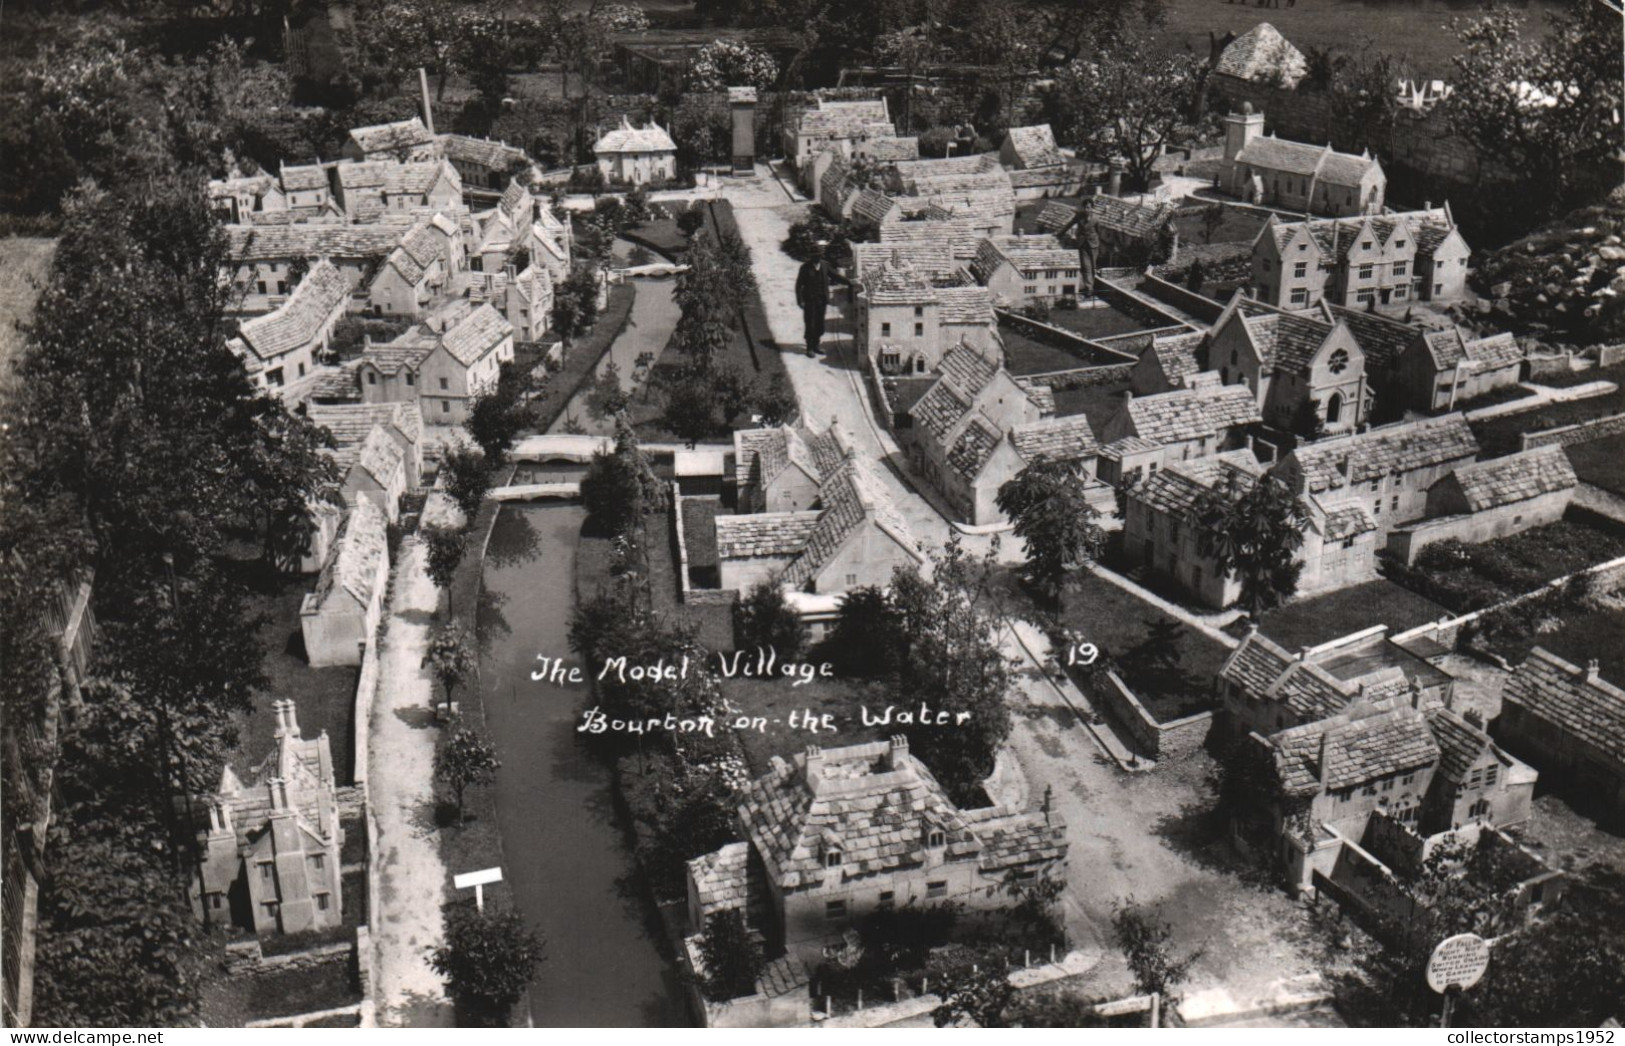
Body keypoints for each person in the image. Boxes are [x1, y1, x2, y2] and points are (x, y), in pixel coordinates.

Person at [795, 243, 830, 357]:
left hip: (822, 301)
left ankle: (816, 346)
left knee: (820, 325)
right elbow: (798, 285)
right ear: (811, 256)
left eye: (819, 255)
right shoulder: (805, 268)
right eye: (815, 255)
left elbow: (836, 276)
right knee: (810, 324)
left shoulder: (825, 265)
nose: (817, 257)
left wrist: (850, 283)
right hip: (810, 301)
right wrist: (800, 301)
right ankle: (809, 348)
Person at [1058, 208, 1101, 299]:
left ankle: (1091, 286)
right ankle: (1089, 289)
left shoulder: (1096, 218)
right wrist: (1059, 234)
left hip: (1093, 245)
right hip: (1082, 244)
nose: (1087, 210)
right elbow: (1069, 225)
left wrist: (1096, 241)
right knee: (1086, 266)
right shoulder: (1079, 216)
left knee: (1093, 266)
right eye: (1085, 208)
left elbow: (1098, 231)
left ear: (1092, 209)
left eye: (1089, 208)